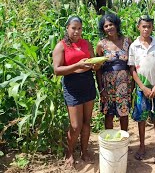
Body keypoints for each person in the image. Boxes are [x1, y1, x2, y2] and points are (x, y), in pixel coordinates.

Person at [52, 16, 97, 167]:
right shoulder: (61, 46)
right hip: (72, 85)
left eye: (79, 28)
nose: (77, 31)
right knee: (75, 125)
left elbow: (93, 63)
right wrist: (76, 65)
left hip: (88, 83)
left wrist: (95, 64)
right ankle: (69, 152)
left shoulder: (87, 44)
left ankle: (84, 151)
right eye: (73, 28)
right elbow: (57, 70)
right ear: (67, 28)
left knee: (86, 122)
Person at [128, 15, 155, 160]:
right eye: (143, 26)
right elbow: (132, 69)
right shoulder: (134, 46)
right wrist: (142, 87)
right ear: (138, 27)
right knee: (142, 118)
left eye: (149, 26)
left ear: (152, 28)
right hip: (142, 88)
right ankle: (142, 146)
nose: (146, 29)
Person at [96, 13, 132, 131]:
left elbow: (132, 64)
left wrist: (133, 84)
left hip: (124, 83)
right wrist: (101, 88)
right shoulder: (101, 45)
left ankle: (123, 142)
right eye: (105, 26)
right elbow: (98, 69)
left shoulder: (127, 41)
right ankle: (110, 143)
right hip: (108, 84)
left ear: (116, 25)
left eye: (111, 24)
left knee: (124, 112)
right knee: (109, 113)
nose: (109, 28)